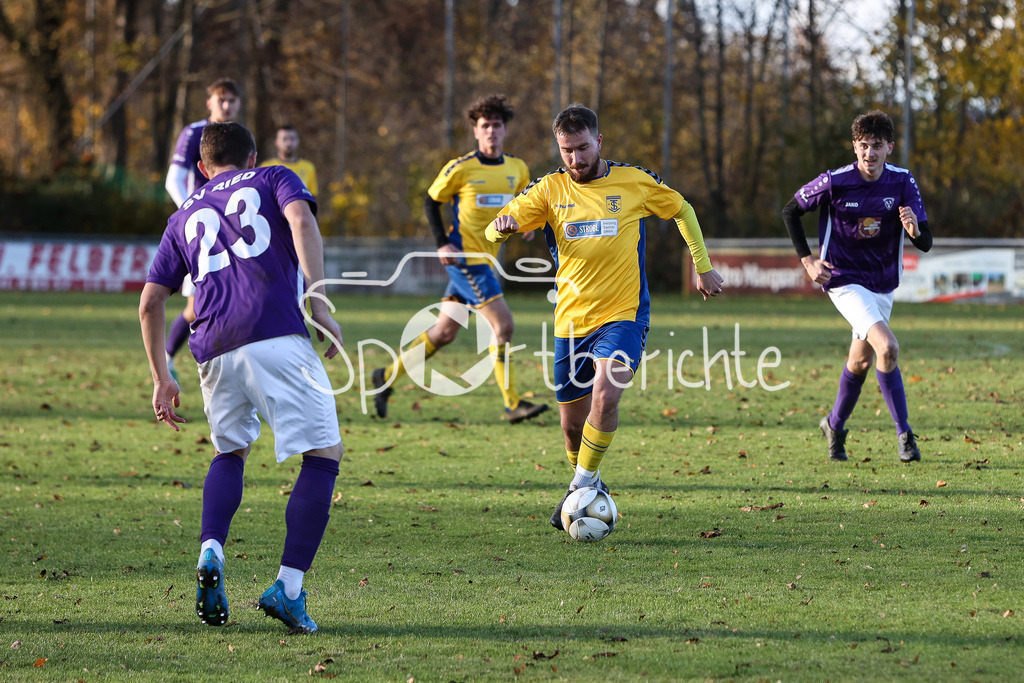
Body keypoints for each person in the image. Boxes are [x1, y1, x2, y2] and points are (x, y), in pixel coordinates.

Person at [140, 121, 343, 633]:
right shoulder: (274, 177)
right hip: (273, 331)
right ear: (251, 158)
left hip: (211, 348)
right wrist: (318, 299)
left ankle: (212, 549)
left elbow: (150, 303)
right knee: (323, 454)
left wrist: (162, 377)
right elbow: (301, 222)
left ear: (202, 168)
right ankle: (289, 590)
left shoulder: (181, 215)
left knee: (228, 452)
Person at [485, 104, 724, 531]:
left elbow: (682, 209)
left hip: (624, 314)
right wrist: (500, 227)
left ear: (599, 141)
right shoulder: (548, 189)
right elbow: (495, 228)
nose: (575, 159)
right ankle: (590, 481)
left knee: (606, 396)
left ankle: (576, 488)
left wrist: (702, 265)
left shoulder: (633, 181)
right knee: (571, 427)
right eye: (566, 151)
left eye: (581, 148)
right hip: (571, 321)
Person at [371, 94, 548, 424]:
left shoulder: (518, 169)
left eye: (497, 125)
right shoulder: (461, 168)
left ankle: (387, 376)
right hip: (466, 261)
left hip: (487, 261)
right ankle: (512, 404)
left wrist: (529, 225)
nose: (491, 131)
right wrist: (441, 243)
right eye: (485, 126)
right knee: (504, 325)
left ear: (506, 130)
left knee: (444, 333)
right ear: (476, 132)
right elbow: (430, 201)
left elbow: (526, 204)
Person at [782, 109, 933, 463]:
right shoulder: (836, 181)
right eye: (863, 146)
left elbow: (925, 241)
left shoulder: (902, 182)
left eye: (877, 146)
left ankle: (834, 425)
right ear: (854, 147)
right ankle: (905, 435)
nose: (869, 153)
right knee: (889, 347)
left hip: (882, 284)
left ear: (889, 147)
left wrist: (914, 231)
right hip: (843, 279)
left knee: (860, 363)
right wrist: (808, 261)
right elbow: (791, 210)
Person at [162, 77, 243, 382]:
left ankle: (234, 364)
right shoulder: (195, 133)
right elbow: (173, 179)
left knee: (234, 296)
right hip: (202, 232)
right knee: (197, 305)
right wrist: (193, 212)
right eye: (221, 100)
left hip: (232, 229)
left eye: (232, 101)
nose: (226, 105)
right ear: (210, 102)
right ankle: (167, 357)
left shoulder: (240, 136)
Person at [259, 125, 319, 198]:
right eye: (284, 139)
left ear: (298, 141)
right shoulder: (266, 167)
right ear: (276, 142)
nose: (289, 143)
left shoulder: (309, 167)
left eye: (292, 139)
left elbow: (313, 197)